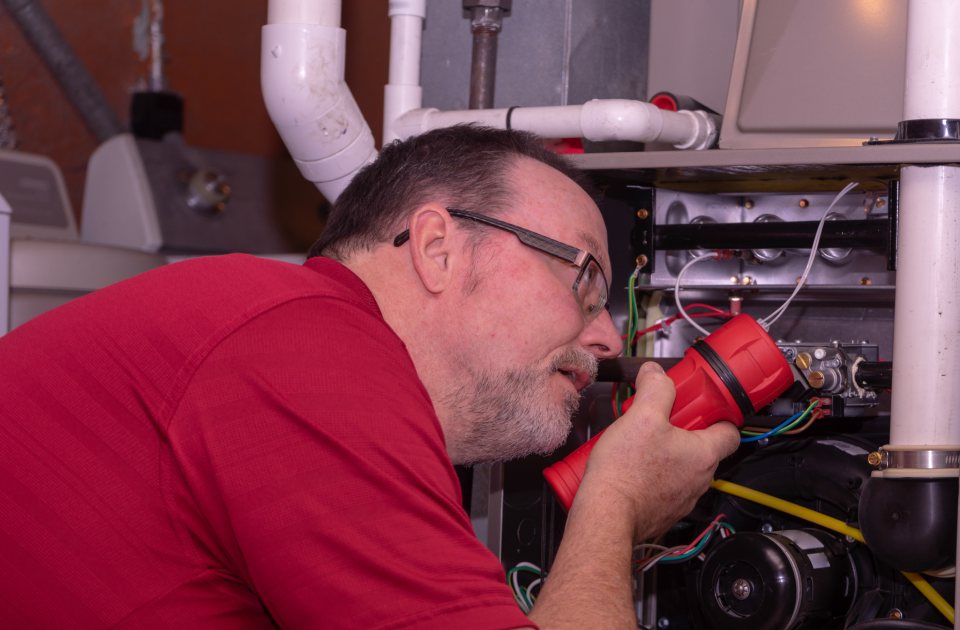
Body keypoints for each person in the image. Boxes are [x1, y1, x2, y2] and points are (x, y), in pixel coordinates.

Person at [0, 125, 739, 629]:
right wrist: (616, 505)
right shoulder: (303, 348)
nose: (608, 336)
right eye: (583, 278)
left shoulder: (288, 333)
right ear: (438, 247)